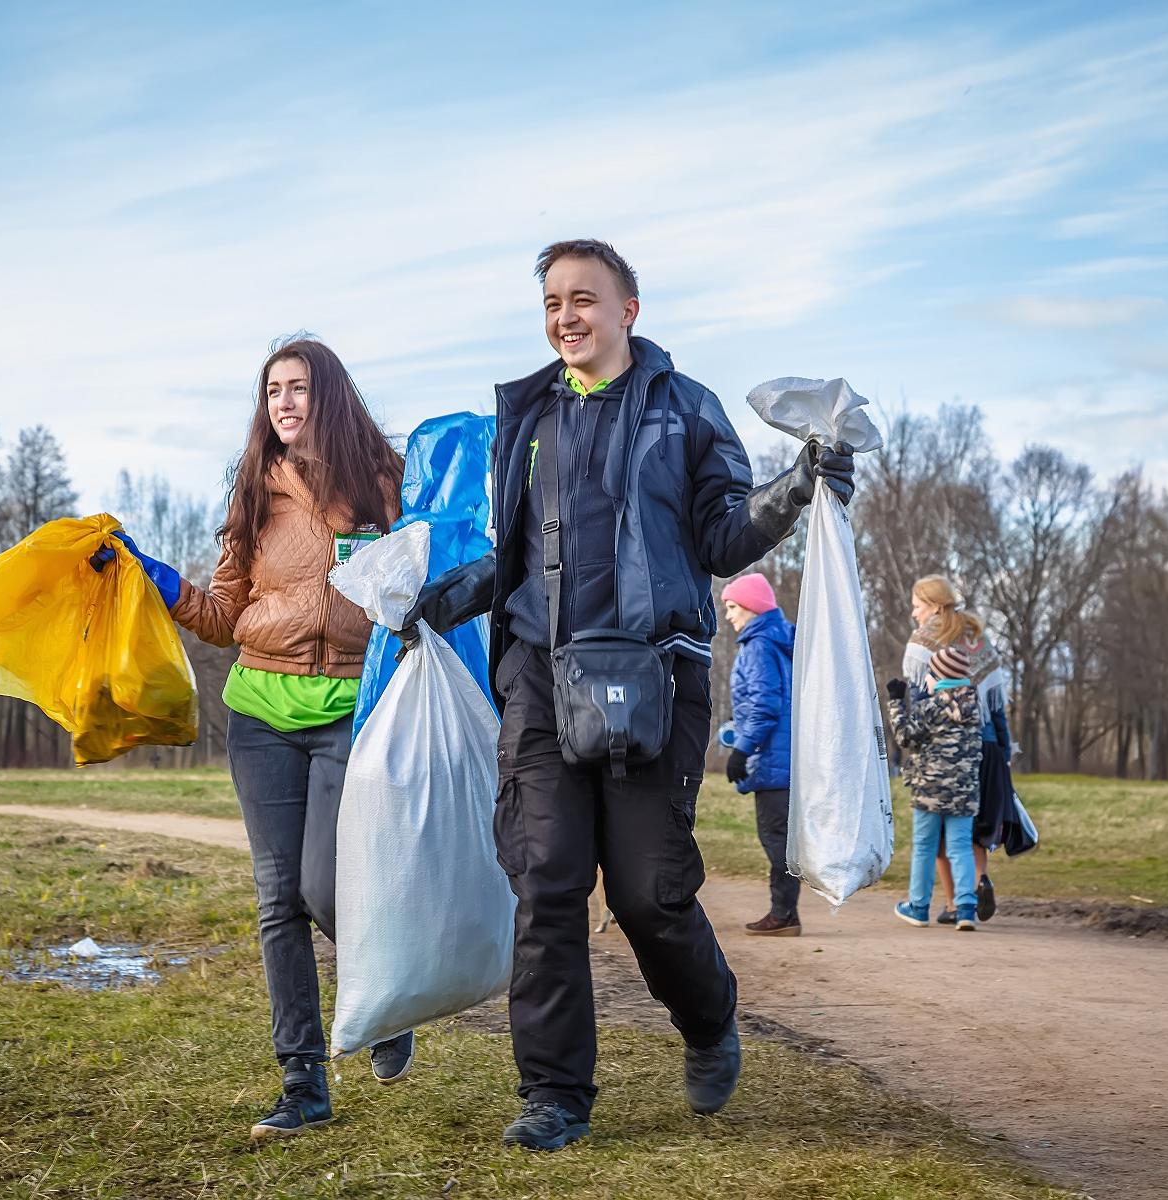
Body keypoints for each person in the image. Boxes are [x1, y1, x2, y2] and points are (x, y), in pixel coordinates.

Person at [400, 239, 855, 1150]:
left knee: (649, 893)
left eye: (583, 299)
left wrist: (795, 490)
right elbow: (520, 553)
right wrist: (453, 593)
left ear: (627, 311)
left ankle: (708, 1018)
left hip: (654, 676)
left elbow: (722, 537)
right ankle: (555, 1095)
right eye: (552, 303)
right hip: (538, 672)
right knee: (548, 883)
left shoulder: (684, 410)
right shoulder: (525, 417)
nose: (565, 317)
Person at [97, 337, 409, 1141]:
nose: (283, 402)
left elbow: (415, 584)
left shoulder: (382, 482)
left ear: (328, 395)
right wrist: (157, 580)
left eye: (298, 387)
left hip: (348, 705)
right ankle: (302, 1082)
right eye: (273, 390)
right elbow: (225, 617)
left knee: (325, 887)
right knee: (277, 899)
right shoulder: (252, 492)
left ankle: (385, 998)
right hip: (261, 713)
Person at [902, 575, 1013, 924]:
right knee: (970, 826)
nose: (913, 612)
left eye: (917, 605)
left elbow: (917, 701)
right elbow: (995, 702)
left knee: (935, 832)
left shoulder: (923, 641)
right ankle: (978, 882)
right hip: (985, 742)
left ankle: (952, 904)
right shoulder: (976, 635)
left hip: (941, 743)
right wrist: (1005, 748)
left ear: (935, 606)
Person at [720, 572, 801, 936]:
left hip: (772, 760)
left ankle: (783, 914)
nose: (728, 615)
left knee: (775, 838)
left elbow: (764, 706)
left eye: (733, 607)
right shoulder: (779, 639)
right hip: (786, 758)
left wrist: (742, 748)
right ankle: (785, 911)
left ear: (752, 607)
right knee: (780, 837)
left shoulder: (758, 645)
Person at [886, 643, 984, 930]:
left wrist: (896, 702)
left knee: (925, 848)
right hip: (964, 791)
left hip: (930, 790)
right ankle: (965, 908)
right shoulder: (975, 708)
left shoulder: (931, 707)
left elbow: (905, 736)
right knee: (960, 848)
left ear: (940, 676)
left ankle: (918, 907)